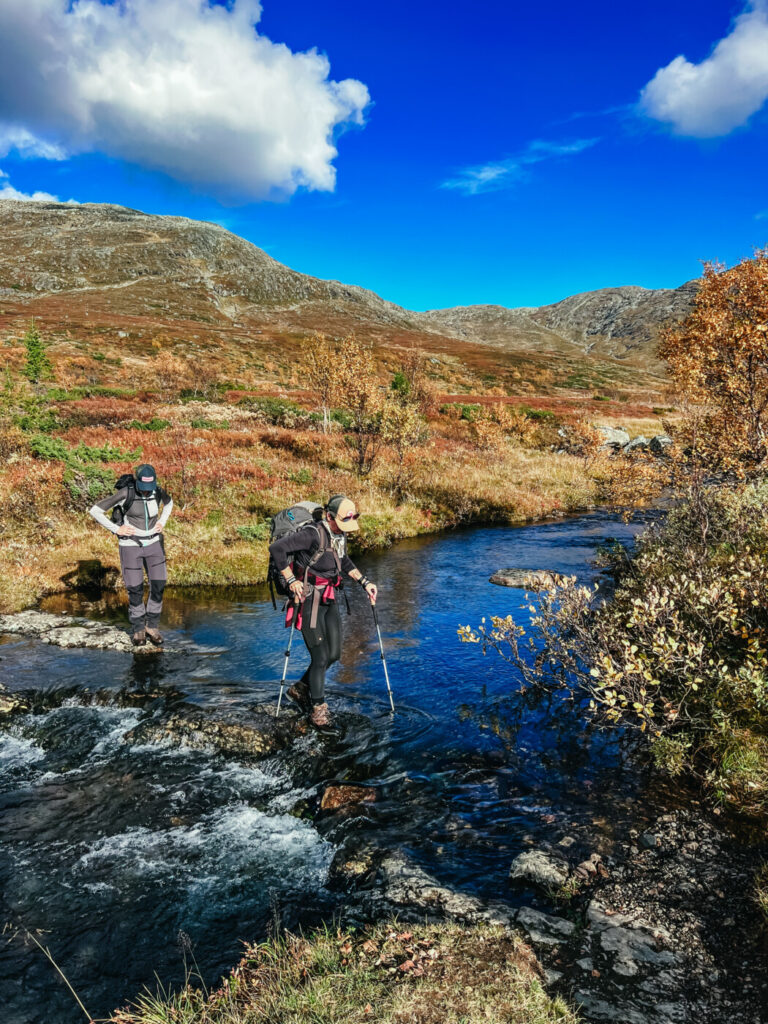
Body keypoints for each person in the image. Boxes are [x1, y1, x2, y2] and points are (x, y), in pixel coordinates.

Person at [268, 494, 377, 728]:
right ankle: (318, 710)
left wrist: (365, 582)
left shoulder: (339, 534)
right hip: (309, 600)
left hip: (329, 597)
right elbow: (277, 548)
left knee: (334, 654)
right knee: (319, 657)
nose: (345, 529)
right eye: (342, 522)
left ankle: (299, 690)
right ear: (329, 516)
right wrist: (290, 580)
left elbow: (343, 560)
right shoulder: (312, 534)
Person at [88, 464, 173, 646]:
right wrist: (117, 529)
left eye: (148, 489)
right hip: (130, 546)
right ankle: (138, 630)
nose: (145, 492)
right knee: (135, 589)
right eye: (143, 488)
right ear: (137, 482)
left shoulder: (157, 491)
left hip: (154, 544)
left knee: (159, 585)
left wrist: (162, 522)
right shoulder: (126, 493)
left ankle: (152, 626)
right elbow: (95, 511)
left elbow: (169, 503)